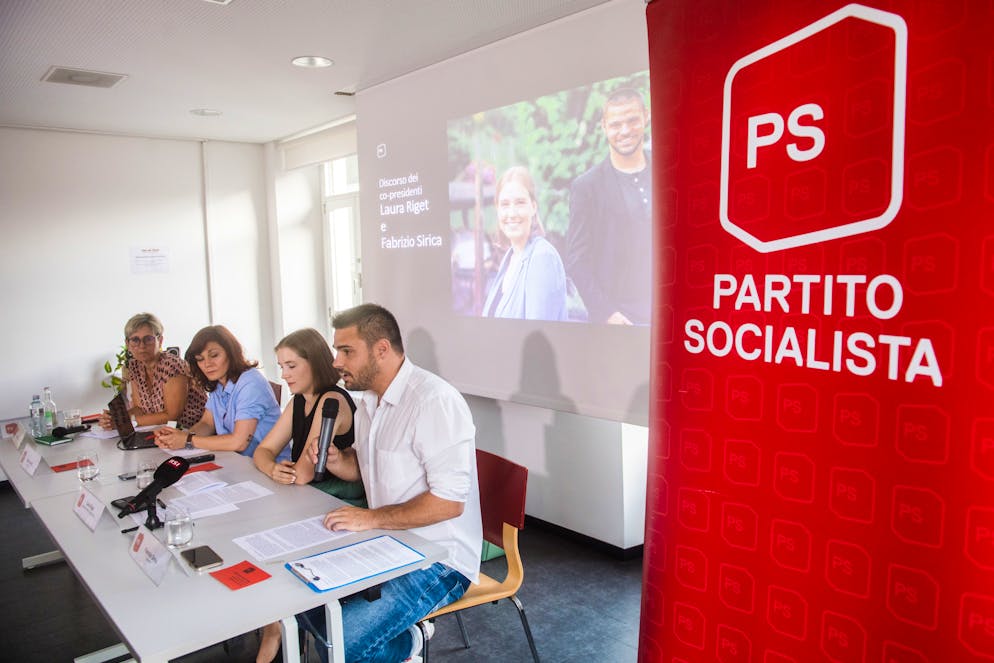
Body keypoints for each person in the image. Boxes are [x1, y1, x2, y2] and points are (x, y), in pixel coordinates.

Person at [298, 303, 482, 663]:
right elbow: (364, 467)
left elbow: (448, 503)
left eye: (346, 351)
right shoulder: (369, 401)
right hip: (386, 542)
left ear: (382, 349)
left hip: (439, 559)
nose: (336, 362)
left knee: (341, 646)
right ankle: (406, 636)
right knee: (301, 602)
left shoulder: (434, 401)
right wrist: (338, 461)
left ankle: (411, 643)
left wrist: (370, 518)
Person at [251, 328, 366, 662]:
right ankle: (279, 630)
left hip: (341, 503)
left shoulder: (332, 401)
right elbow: (263, 451)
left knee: (272, 547)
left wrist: (278, 468)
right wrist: (272, 469)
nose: (284, 375)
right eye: (281, 366)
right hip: (312, 499)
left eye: (291, 366)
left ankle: (277, 631)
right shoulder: (298, 401)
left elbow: (302, 474)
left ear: (314, 363)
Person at [566, 87, 652, 325]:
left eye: (632, 120)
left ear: (646, 116)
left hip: (671, 317)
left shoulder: (670, 170)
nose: (624, 131)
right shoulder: (586, 187)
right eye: (615, 124)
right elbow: (577, 260)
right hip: (620, 321)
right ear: (604, 126)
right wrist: (607, 313)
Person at [153, 325, 286, 461]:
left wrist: (188, 440)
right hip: (236, 460)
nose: (207, 364)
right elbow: (207, 424)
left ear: (231, 353)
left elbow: (239, 442)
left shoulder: (251, 383)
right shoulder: (219, 382)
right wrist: (175, 437)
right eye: (200, 359)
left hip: (269, 466)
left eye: (214, 355)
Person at [481, 166, 567, 321]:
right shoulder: (509, 259)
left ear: (533, 207)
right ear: (497, 209)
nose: (512, 213)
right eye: (505, 204)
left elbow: (538, 333)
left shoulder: (542, 257)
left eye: (520, 203)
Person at [97, 313, 206, 431]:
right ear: (127, 344)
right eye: (135, 340)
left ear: (160, 340)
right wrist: (115, 418)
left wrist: (124, 422)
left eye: (148, 339)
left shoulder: (172, 365)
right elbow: (140, 409)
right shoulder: (135, 366)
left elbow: (171, 416)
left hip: (193, 431)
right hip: (161, 432)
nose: (142, 346)